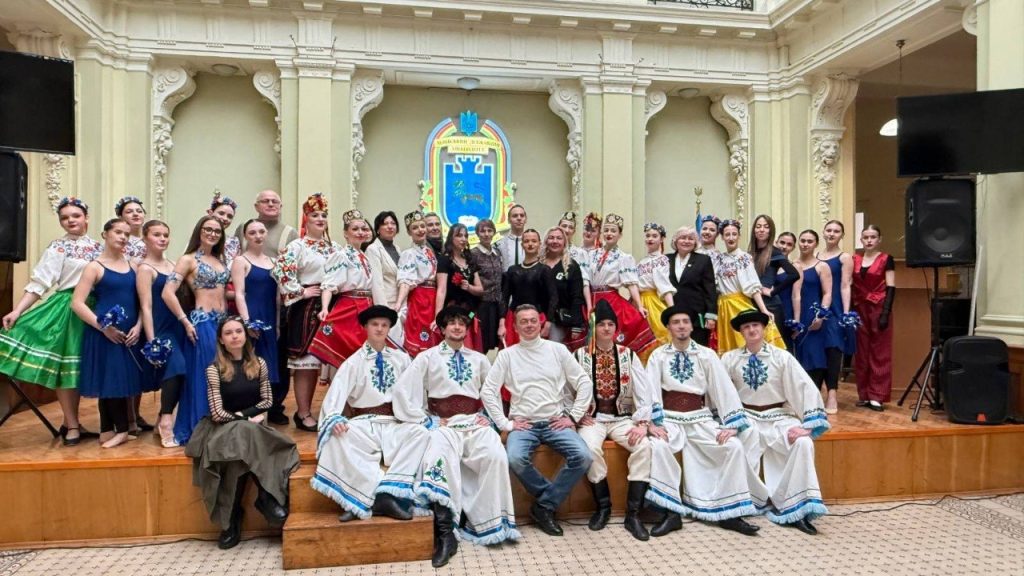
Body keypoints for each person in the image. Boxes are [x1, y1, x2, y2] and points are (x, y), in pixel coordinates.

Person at [394, 306, 520, 568]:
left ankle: (485, 523)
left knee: (496, 455)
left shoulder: (480, 359)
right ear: (442, 329)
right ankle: (445, 533)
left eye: (461, 323)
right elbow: (403, 391)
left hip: (474, 422)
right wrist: (427, 419)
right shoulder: (426, 357)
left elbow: (491, 392)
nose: (457, 327)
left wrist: (490, 418)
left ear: (466, 329)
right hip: (444, 424)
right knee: (437, 460)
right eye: (451, 323)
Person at [638, 305, 760, 537]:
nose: (681, 326)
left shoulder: (706, 355)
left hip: (700, 418)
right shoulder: (658, 355)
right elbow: (650, 390)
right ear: (668, 327)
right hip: (670, 418)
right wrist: (652, 422)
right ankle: (671, 513)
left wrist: (732, 424)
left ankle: (730, 513)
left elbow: (722, 388)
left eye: (685, 321)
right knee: (658, 446)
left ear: (692, 326)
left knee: (733, 446)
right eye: (676, 322)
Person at [185, 317, 299, 550]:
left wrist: (245, 419)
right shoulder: (214, 369)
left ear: (245, 336)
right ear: (221, 340)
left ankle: (232, 517)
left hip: (248, 431)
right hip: (220, 428)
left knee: (240, 450)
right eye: (228, 333)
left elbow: (268, 400)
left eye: (239, 331)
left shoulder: (259, 363)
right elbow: (217, 413)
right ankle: (267, 497)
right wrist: (246, 419)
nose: (235, 336)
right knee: (243, 435)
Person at [481, 305, 594, 537]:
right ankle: (548, 500)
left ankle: (543, 506)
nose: (529, 325)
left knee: (583, 456)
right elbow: (488, 391)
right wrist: (505, 424)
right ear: (515, 327)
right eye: (523, 321)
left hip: (555, 422)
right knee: (515, 458)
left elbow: (584, 382)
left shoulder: (557, 350)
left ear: (540, 322)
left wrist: (573, 416)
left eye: (533, 320)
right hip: (524, 425)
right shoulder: (507, 355)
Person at [311, 305, 428, 522]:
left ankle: (386, 492)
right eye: (375, 324)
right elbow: (335, 395)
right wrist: (334, 418)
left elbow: (414, 392)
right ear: (365, 327)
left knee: (422, 434)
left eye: (384, 325)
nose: (380, 329)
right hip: (363, 423)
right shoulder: (353, 362)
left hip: (395, 422)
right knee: (336, 438)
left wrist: (416, 415)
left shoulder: (402, 359)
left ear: (390, 328)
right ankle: (362, 497)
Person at [0, 197, 101, 446]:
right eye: (64, 217)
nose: (70, 221)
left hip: (96, 309)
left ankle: (75, 422)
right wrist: (18, 311)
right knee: (64, 370)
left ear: (86, 217)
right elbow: (41, 282)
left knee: (80, 371)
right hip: (68, 309)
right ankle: (72, 425)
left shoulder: (99, 247)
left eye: (75, 215)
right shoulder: (59, 247)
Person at [722, 309, 830, 536]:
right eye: (746, 327)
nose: (751, 330)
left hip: (779, 416)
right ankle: (742, 503)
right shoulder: (730, 359)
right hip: (746, 418)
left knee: (803, 443)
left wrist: (808, 425)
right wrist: (730, 422)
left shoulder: (782, 357)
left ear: (764, 328)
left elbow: (803, 386)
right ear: (741, 332)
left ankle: (796, 508)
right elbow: (720, 393)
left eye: (755, 325)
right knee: (732, 445)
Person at [570, 300, 652, 541]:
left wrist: (642, 423)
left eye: (610, 324)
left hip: (622, 419)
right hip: (592, 420)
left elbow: (644, 391)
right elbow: (566, 390)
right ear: (594, 328)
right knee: (589, 448)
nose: (606, 328)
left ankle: (633, 514)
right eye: (602, 324)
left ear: (616, 328)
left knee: (644, 446)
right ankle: (603, 507)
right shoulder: (579, 355)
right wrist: (576, 415)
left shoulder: (628, 355)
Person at [71, 218, 143, 449]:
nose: (123, 237)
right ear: (105, 234)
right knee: (110, 381)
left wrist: (139, 326)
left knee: (117, 381)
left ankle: (106, 431)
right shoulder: (94, 267)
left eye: (126, 234)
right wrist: (104, 328)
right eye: (118, 232)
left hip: (127, 333)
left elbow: (143, 302)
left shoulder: (133, 266)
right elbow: (77, 303)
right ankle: (120, 430)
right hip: (104, 334)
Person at [273, 193, 341, 431]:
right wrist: (301, 291)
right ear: (306, 219)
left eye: (323, 215)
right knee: (307, 362)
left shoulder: (335, 247)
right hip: (307, 308)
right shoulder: (297, 246)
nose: (320, 219)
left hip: (334, 307)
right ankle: (303, 413)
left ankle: (335, 411)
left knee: (332, 360)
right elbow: (281, 271)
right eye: (315, 215)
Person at [163, 215, 230, 444]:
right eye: (207, 229)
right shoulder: (188, 259)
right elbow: (167, 292)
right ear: (199, 231)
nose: (212, 234)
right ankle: (202, 428)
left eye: (217, 231)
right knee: (205, 374)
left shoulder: (220, 260)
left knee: (223, 374)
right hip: (202, 322)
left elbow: (223, 292)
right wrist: (185, 320)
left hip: (223, 323)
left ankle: (222, 424)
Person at [234, 189, 298, 425]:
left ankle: (273, 408)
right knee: (249, 359)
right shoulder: (241, 234)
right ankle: (245, 407)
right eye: (265, 201)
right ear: (256, 206)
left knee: (274, 362)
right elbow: (238, 288)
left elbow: (289, 275)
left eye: (275, 201)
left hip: (275, 311)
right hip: (251, 310)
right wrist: (245, 321)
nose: (271, 204)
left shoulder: (289, 234)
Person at [136, 220, 188, 446]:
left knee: (183, 371)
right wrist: (152, 341)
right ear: (145, 238)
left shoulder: (173, 264)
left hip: (178, 325)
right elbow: (146, 306)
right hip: (160, 327)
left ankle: (162, 417)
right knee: (176, 368)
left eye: (165, 235)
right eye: (157, 234)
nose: (162, 239)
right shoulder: (145, 269)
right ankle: (166, 419)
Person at [582, 214, 657, 356]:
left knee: (620, 327)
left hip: (611, 300)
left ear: (620, 235)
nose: (609, 233)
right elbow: (585, 280)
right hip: (591, 299)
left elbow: (631, 284)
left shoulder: (624, 258)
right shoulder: (591, 255)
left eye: (613, 230)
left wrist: (639, 305)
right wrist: (589, 304)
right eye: (606, 230)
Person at [308, 210, 375, 367]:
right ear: (345, 233)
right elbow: (329, 284)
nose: (360, 232)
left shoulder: (364, 257)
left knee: (367, 353)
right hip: (350, 308)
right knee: (352, 352)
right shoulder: (341, 256)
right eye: (355, 229)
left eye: (363, 229)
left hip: (367, 307)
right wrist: (325, 308)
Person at [712, 219, 785, 354]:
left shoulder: (744, 258)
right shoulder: (718, 259)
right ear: (722, 237)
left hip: (740, 305)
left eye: (734, 234)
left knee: (745, 341)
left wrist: (763, 310)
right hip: (723, 307)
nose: (731, 237)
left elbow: (752, 285)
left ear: (739, 236)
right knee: (730, 347)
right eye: (727, 234)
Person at [231, 219, 280, 400]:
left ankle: (264, 409)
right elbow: (239, 294)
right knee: (252, 363)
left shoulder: (274, 262)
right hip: (253, 316)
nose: (257, 236)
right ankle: (248, 407)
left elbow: (277, 297)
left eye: (261, 232)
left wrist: (277, 324)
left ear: (266, 234)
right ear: (245, 236)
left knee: (268, 366)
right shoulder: (240, 261)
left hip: (270, 317)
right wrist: (247, 323)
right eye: (252, 233)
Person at [852, 225, 895, 411]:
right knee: (861, 352)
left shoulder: (886, 259)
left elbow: (891, 287)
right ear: (861, 240)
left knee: (880, 352)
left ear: (879, 239)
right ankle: (864, 394)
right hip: (859, 307)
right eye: (866, 237)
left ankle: (877, 395)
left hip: (879, 307)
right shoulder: (854, 259)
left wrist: (886, 312)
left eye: (873, 237)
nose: (869, 240)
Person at [817, 220, 856, 414]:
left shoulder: (844, 257)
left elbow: (845, 285)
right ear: (823, 233)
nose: (832, 234)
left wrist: (845, 314)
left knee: (833, 349)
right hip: (816, 308)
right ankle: (816, 393)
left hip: (836, 310)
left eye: (836, 231)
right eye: (829, 230)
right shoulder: (816, 256)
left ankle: (832, 393)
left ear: (842, 235)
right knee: (818, 350)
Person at [791, 231, 835, 404]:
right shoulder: (792, 264)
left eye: (809, 241)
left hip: (813, 314)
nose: (805, 244)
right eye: (802, 240)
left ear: (816, 244)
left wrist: (821, 315)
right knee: (797, 355)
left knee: (814, 355)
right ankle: (798, 398)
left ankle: (814, 398)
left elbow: (827, 293)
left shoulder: (822, 266)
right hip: (795, 313)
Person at [748, 215, 800, 352]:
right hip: (752, 302)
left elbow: (794, 274)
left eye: (766, 227)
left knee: (775, 349)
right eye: (758, 226)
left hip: (770, 305)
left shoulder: (774, 251)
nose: (761, 230)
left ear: (770, 231)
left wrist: (772, 291)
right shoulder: (750, 252)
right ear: (754, 230)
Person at [498, 229, 557, 347]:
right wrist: (501, 324)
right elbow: (504, 298)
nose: (530, 244)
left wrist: (548, 323)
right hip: (514, 319)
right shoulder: (512, 270)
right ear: (522, 245)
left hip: (537, 319)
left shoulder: (544, 270)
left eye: (534, 241)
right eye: (526, 241)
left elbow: (553, 298)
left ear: (539, 244)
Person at [394, 211, 441, 357]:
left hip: (433, 298)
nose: (420, 230)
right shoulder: (409, 254)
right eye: (415, 228)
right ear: (409, 232)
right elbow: (405, 281)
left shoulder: (430, 252)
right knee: (420, 336)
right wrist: (398, 303)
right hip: (420, 299)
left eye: (422, 226)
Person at [434, 223, 484, 350]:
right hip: (453, 312)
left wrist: (469, 288)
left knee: (471, 346)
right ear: (451, 238)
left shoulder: (470, 260)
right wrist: (437, 317)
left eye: (465, 236)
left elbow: (480, 290)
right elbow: (441, 289)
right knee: (455, 345)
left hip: (471, 312)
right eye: (459, 235)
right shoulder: (445, 260)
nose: (463, 239)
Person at [666, 226, 717, 347]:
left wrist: (711, 316)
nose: (686, 241)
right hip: (673, 312)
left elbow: (710, 289)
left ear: (695, 242)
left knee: (697, 349)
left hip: (697, 316)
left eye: (691, 238)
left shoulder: (703, 260)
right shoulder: (666, 259)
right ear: (675, 241)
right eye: (683, 238)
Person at [543, 226, 587, 351]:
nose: (555, 241)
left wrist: (576, 325)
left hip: (558, 322)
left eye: (559, 238)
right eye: (551, 238)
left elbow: (577, 296)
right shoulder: (538, 263)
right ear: (546, 241)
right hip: (538, 319)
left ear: (564, 242)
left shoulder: (571, 266)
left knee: (553, 352)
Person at [636, 222, 675, 350]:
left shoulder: (661, 260)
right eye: (648, 236)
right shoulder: (641, 262)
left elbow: (664, 285)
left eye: (654, 236)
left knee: (659, 332)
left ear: (662, 239)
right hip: (639, 302)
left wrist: (672, 310)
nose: (650, 239)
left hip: (653, 301)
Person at [470, 219, 503, 352]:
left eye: (489, 230)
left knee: (495, 341)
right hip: (481, 304)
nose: (486, 234)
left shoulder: (497, 253)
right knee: (481, 341)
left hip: (497, 304)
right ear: (477, 233)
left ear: (494, 232)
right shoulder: (473, 254)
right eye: (482, 231)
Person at [365, 210, 402, 310]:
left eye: (393, 223)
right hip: (386, 303)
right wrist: (383, 311)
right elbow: (376, 284)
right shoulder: (373, 249)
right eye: (385, 224)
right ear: (378, 229)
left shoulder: (397, 249)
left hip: (400, 303)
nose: (390, 226)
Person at [774, 231, 799, 341]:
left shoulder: (795, 267)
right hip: (768, 310)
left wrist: (796, 321)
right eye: (782, 242)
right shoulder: (765, 264)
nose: (784, 247)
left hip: (786, 311)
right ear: (776, 242)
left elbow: (796, 295)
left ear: (793, 248)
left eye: (789, 244)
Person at [208, 191, 240, 264]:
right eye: (221, 213)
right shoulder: (202, 237)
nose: (225, 218)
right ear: (211, 213)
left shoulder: (234, 242)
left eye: (229, 216)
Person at [494, 204, 527, 272]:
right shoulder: (499, 244)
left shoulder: (533, 244)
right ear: (509, 220)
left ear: (525, 219)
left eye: (522, 215)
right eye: (515, 216)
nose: (519, 218)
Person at [115, 196, 148, 262]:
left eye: (139, 211)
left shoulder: (152, 238)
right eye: (129, 212)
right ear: (120, 217)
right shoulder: (116, 241)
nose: (135, 214)